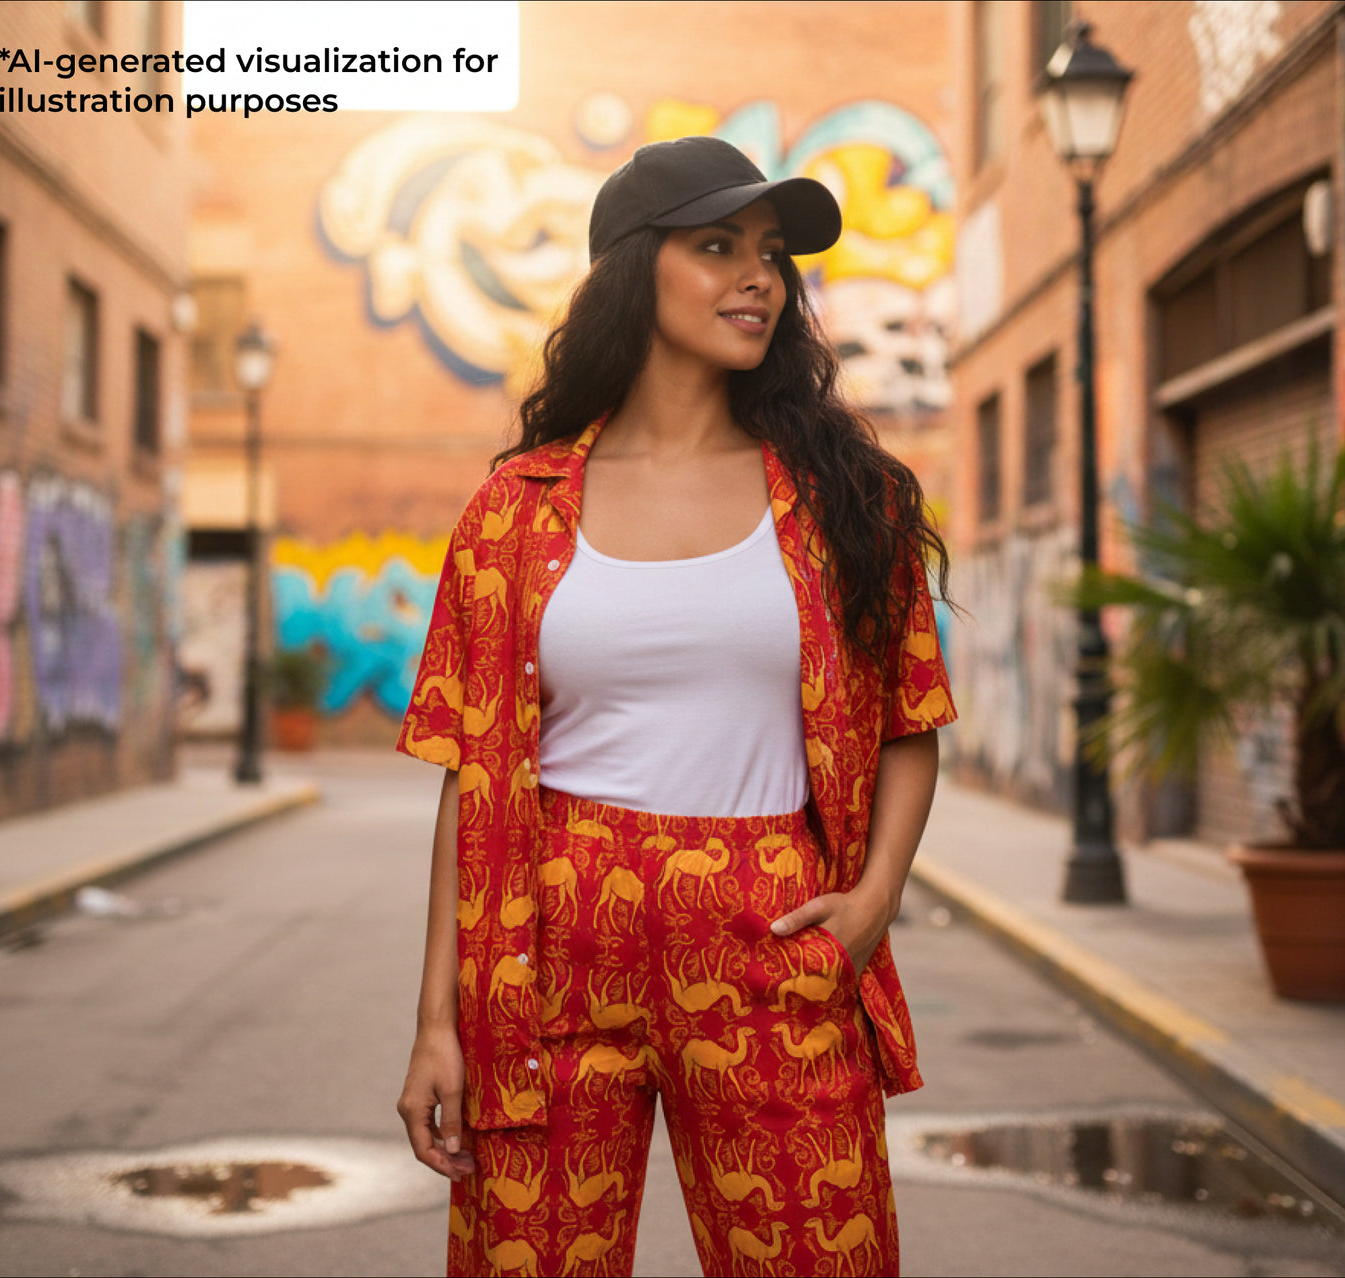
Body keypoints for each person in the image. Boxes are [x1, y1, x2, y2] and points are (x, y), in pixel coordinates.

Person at [395, 135, 959, 1278]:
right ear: (631, 272)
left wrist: (874, 898)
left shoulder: (842, 498)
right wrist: (435, 1026)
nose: (758, 278)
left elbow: (908, 717)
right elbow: (473, 779)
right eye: (716, 247)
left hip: (771, 925)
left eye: (770, 254)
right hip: (550, 942)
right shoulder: (514, 510)